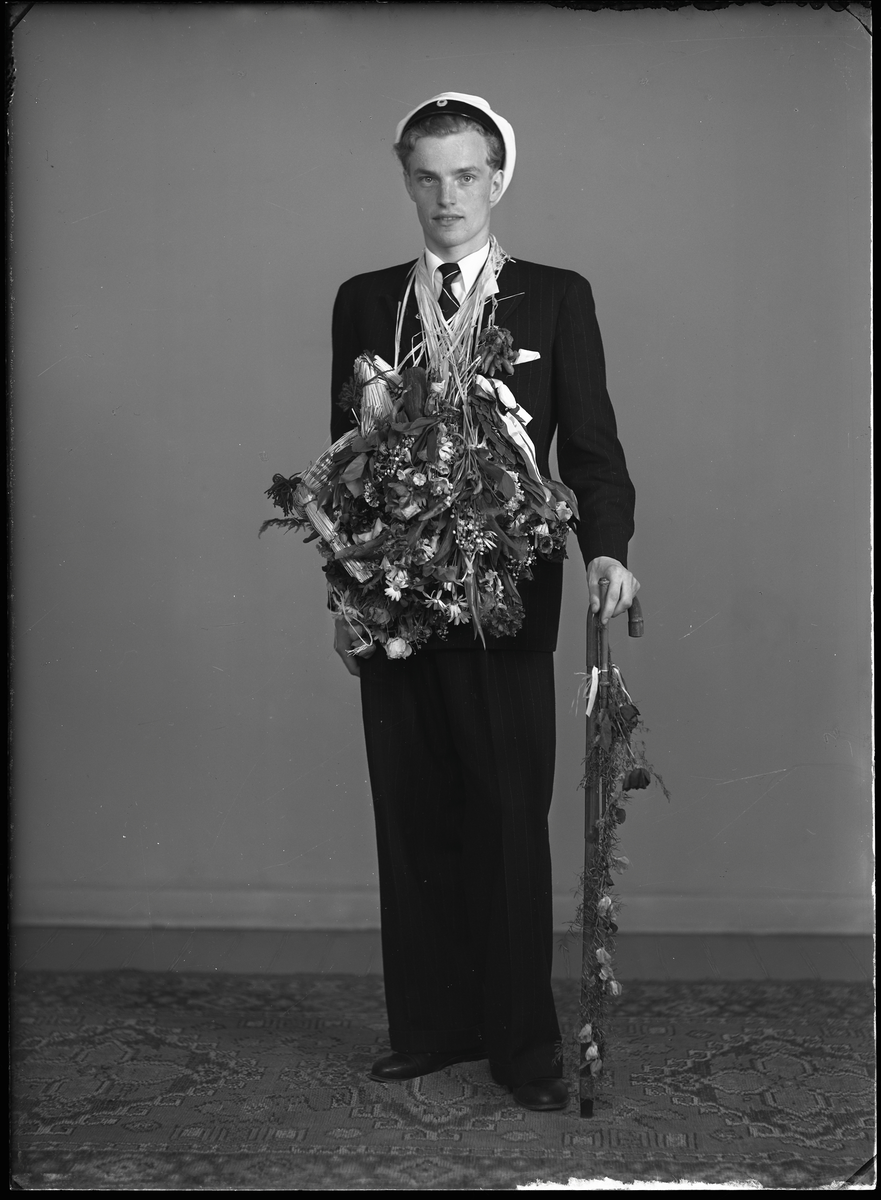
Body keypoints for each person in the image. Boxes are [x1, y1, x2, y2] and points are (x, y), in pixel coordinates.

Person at [329, 93, 638, 1112]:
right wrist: (346, 592)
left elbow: (588, 444)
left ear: (496, 179)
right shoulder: (366, 301)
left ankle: (520, 1045)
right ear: (405, 181)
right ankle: (430, 1027)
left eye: (465, 176)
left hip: (506, 599)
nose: (447, 197)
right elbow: (344, 463)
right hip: (394, 604)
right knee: (411, 814)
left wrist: (608, 550)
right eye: (427, 177)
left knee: (506, 821)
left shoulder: (553, 297)